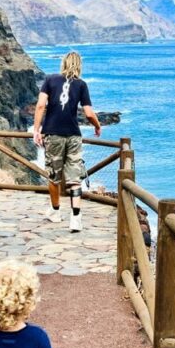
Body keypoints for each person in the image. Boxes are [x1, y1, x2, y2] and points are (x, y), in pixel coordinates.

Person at [33, 51, 101, 232]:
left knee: (54, 177)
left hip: (53, 134)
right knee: (74, 178)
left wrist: (36, 129)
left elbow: (40, 105)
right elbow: (88, 113)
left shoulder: (50, 80)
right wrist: (97, 125)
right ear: (79, 65)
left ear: (63, 63)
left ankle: (55, 212)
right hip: (73, 135)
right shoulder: (81, 85)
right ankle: (76, 218)